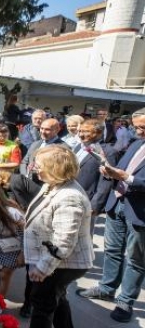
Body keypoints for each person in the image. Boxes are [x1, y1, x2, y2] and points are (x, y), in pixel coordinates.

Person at [78, 108, 145, 323]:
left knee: (136, 259)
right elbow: (121, 169)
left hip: (139, 211)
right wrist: (109, 171)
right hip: (117, 203)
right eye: (136, 127)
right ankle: (107, 288)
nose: (138, 131)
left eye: (142, 127)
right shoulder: (135, 143)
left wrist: (128, 178)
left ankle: (125, 301)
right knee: (112, 250)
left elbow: (131, 177)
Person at [24, 145, 94, 328]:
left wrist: (42, 268)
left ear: (54, 168)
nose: (34, 169)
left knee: (42, 303)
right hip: (58, 261)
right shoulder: (53, 184)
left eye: (39, 166)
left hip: (62, 264)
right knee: (56, 298)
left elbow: (63, 242)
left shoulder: (69, 196)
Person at [74, 119, 117, 234]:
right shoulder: (79, 147)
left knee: (83, 238)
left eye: (86, 131)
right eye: (80, 131)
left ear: (98, 133)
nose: (81, 134)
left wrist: (95, 205)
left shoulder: (107, 151)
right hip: (71, 196)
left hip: (87, 201)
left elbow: (106, 181)